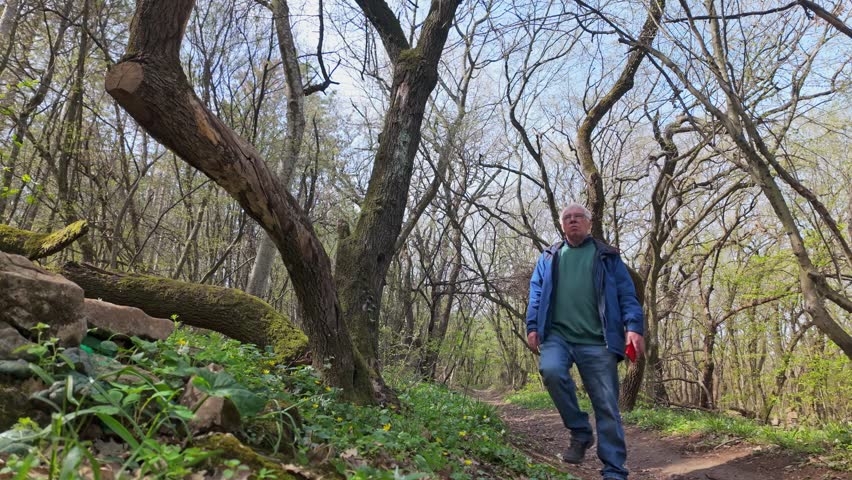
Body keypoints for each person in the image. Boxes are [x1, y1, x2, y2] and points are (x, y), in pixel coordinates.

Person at [525, 203, 644, 480]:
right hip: (557, 336)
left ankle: (614, 471)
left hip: (598, 341)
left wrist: (634, 327)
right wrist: (533, 326)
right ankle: (580, 430)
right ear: (562, 225)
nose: (573, 220)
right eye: (567, 218)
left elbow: (627, 295)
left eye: (578, 217)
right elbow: (536, 293)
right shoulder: (549, 256)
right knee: (551, 370)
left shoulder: (607, 257)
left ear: (589, 223)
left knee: (606, 405)